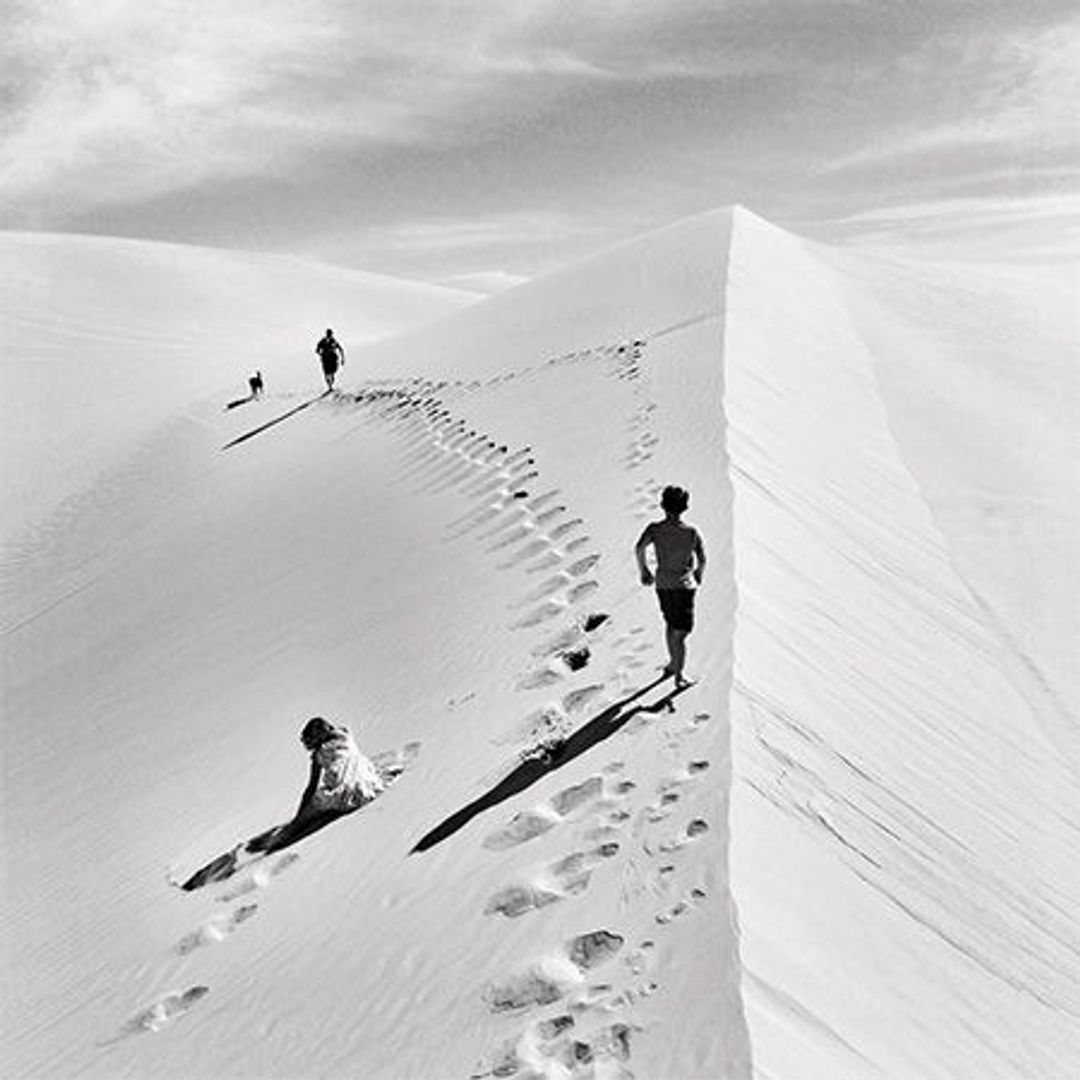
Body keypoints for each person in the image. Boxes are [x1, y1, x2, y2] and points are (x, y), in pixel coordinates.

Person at [635, 485, 706, 688]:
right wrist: (699, 574)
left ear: (662, 506)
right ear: (685, 507)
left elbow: (639, 547)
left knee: (670, 623)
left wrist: (644, 571)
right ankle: (679, 677)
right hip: (684, 587)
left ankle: (673, 664)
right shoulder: (691, 532)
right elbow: (702, 558)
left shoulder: (654, 529)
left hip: (663, 584)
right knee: (682, 632)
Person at [292, 717, 384, 825]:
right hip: (369, 785)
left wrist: (298, 817)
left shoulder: (319, 755)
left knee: (317, 799)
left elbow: (312, 786)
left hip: (347, 796)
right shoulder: (345, 736)